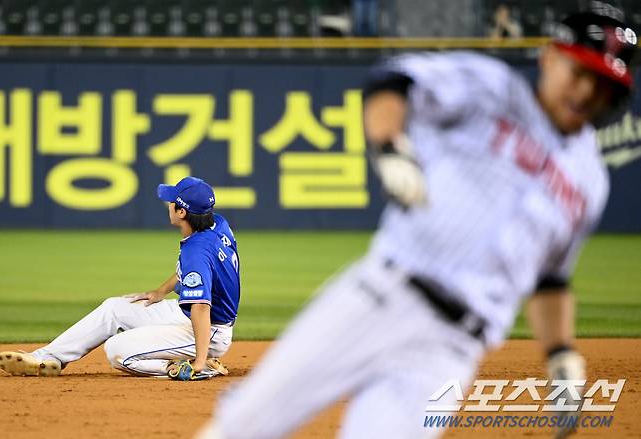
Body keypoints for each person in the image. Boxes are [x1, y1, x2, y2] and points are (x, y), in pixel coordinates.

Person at [195, 7, 637, 439]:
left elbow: (551, 278)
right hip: (381, 297)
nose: (586, 93)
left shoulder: (588, 180)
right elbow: (393, 80)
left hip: (453, 350)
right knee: (243, 426)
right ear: (549, 57)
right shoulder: (492, 88)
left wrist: (560, 356)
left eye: (602, 85)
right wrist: (389, 147)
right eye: (579, 73)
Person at [0, 176, 240, 381]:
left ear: (182, 211)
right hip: (187, 314)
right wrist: (159, 292)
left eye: (172, 202)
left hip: (209, 331)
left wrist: (199, 359)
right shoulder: (217, 223)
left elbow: (200, 307)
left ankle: (197, 368)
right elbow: (189, 274)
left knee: (117, 350)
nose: (167, 204)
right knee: (114, 308)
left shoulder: (197, 251)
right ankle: (47, 357)